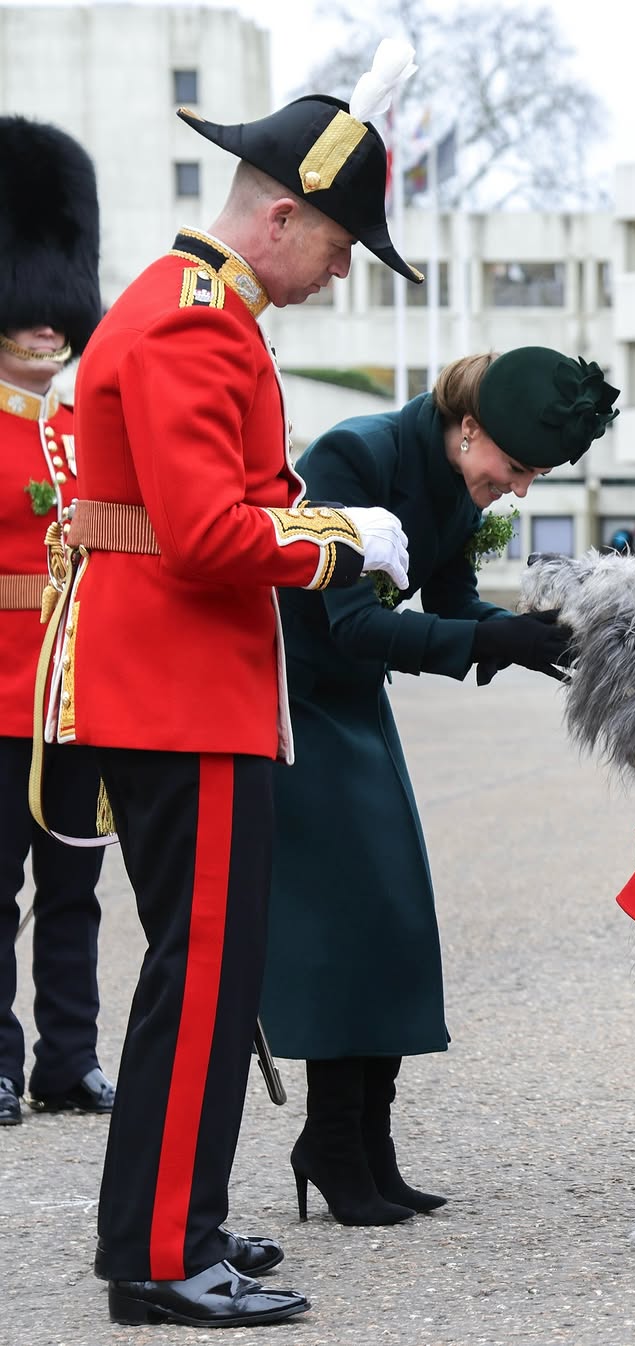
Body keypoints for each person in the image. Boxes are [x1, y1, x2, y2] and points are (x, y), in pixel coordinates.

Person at [37, 44, 420, 1328]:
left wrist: (319, 520)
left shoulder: (200, 308)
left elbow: (235, 499)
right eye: (342, 243)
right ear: (284, 217)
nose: (343, 269)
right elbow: (208, 537)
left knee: (205, 973)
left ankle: (174, 1220)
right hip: (180, 690)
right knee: (202, 978)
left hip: (181, 684)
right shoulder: (196, 319)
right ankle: (159, 1253)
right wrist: (341, 541)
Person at [259, 347, 619, 1225]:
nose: (519, 488)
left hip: (354, 704)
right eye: (517, 467)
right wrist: (494, 642)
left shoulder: (457, 480)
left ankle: (369, 1142)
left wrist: (541, 635)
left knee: (393, 919)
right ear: (468, 428)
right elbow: (352, 624)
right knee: (344, 929)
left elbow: (453, 608)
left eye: (533, 475)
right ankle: (332, 1141)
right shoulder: (355, 457)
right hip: (293, 700)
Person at [0, 117, 114, 1128]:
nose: (47, 328)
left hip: (77, 694)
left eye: (56, 312)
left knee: (75, 885)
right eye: (28, 313)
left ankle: (68, 1058)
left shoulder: (84, 430)